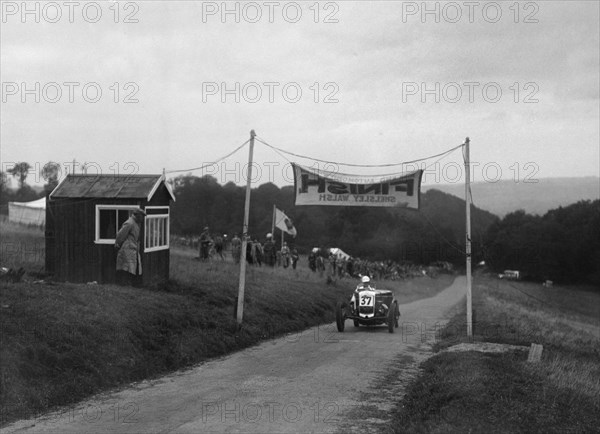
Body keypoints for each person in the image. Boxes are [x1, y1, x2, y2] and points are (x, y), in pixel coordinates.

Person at [115, 208, 145, 286]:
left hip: (133, 248)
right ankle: (124, 284)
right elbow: (120, 235)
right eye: (142, 216)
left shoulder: (136, 223)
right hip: (127, 248)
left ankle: (129, 284)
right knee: (127, 266)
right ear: (137, 215)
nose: (142, 218)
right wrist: (117, 244)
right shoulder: (129, 223)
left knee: (131, 266)